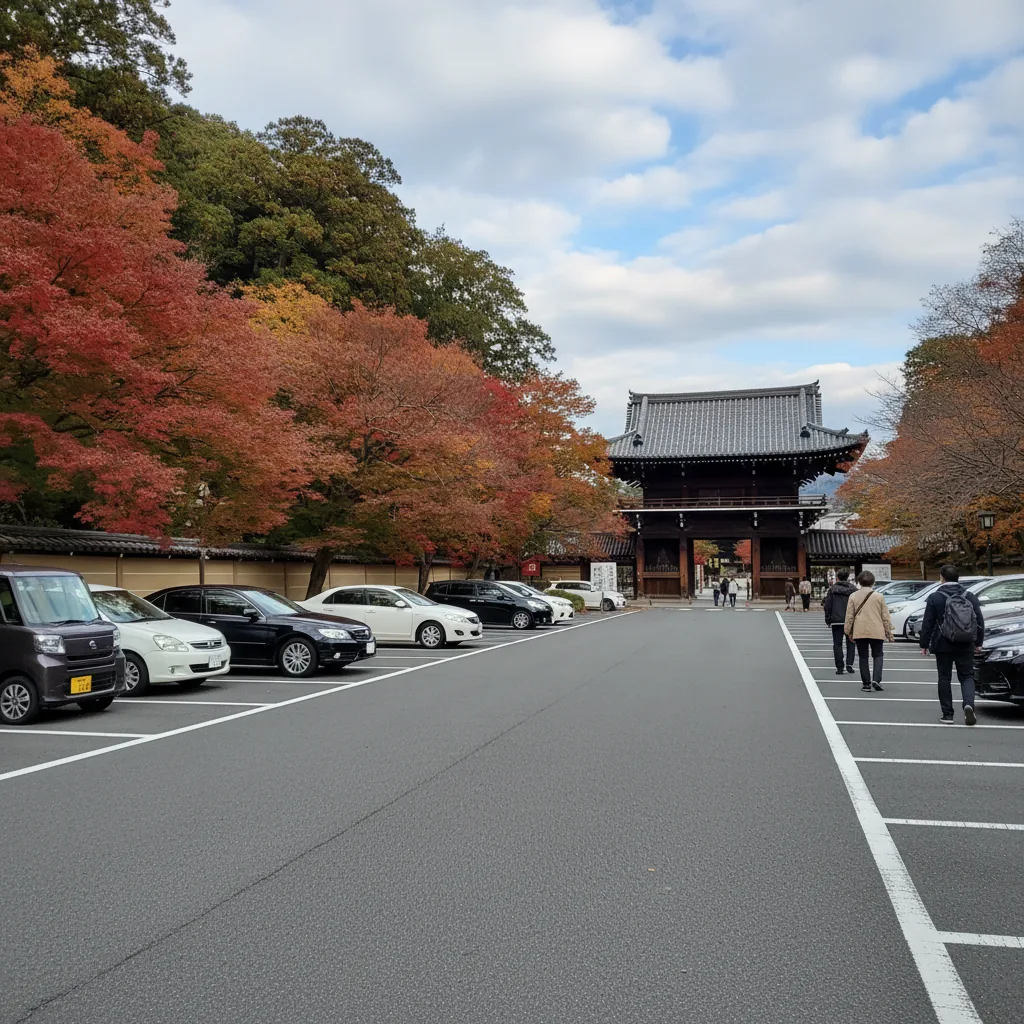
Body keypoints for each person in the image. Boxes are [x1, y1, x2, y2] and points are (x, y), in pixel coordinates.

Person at [918, 564, 984, 725]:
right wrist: (978, 642)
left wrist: (924, 643)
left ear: (942, 577)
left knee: (944, 677)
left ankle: (947, 714)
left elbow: (928, 622)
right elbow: (979, 621)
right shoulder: (969, 596)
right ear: (958, 577)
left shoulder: (935, 597)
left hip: (943, 643)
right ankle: (968, 704)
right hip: (966, 642)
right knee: (967, 676)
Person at [844, 569, 894, 692]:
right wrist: (889, 632)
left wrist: (848, 631)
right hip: (877, 629)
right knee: (878, 654)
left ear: (859, 582)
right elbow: (885, 616)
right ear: (873, 582)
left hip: (859, 630)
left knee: (863, 656)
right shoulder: (879, 596)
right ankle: (876, 679)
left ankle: (866, 683)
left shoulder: (853, 596)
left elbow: (849, 616)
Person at [823, 570, 857, 675]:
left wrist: (828, 619)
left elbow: (827, 605)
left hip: (836, 620)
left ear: (837, 577)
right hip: (850, 620)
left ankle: (839, 667)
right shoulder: (853, 589)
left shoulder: (832, 589)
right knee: (851, 642)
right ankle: (849, 664)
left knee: (837, 644)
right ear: (847, 577)